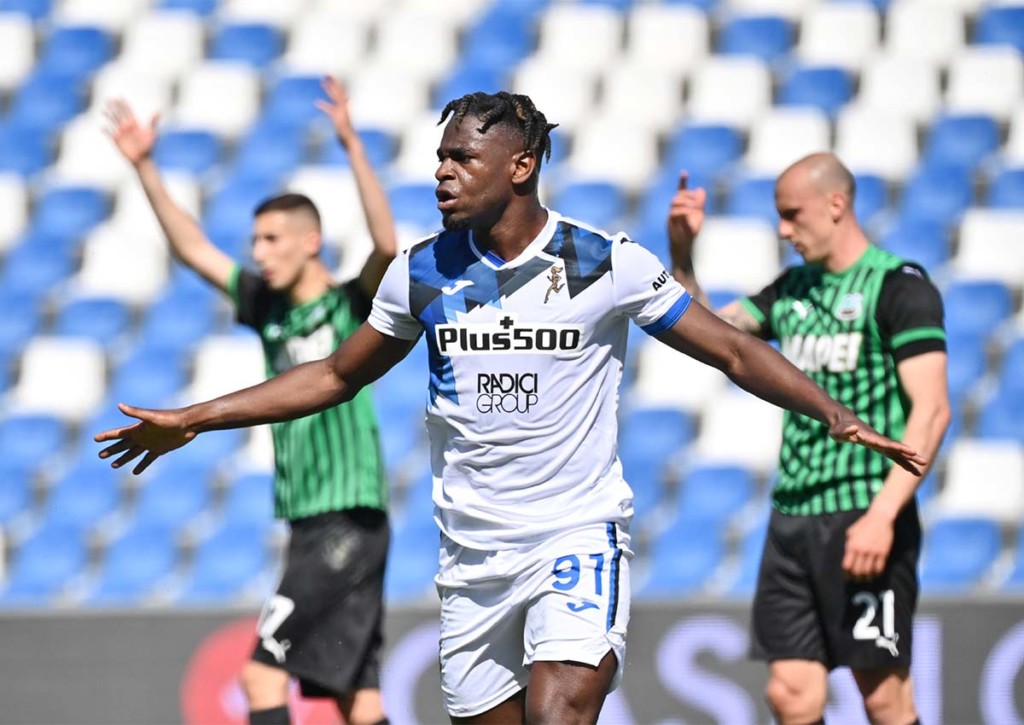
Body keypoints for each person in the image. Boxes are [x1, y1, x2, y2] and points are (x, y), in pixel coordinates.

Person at [96, 93, 925, 725]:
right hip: (473, 559)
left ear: (520, 165)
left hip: (576, 533)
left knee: (557, 710)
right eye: (439, 158)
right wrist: (195, 416)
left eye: (462, 158)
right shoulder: (421, 272)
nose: (442, 173)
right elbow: (335, 375)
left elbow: (735, 350)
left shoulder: (602, 262)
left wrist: (833, 412)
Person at [103, 77, 397, 725]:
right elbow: (193, 249)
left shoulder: (351, 304)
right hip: (312, 522)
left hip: (344, 516)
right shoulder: (267, 309)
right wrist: (146, 166)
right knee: (357, 697)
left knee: (260, 675)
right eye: (255, 242)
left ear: (310, 240)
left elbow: (386, 247)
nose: (258, 254)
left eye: (271, 239)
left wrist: (352, 145)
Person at [667, 154, 950, 725]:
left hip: (865, 510)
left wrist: (884, 515)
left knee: (883, 696)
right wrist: (681, 253)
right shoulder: (791, 290)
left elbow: (933, 410)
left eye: (792, 214)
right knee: (791, 694)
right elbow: (709, 334)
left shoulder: (899, 286)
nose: (783, 230)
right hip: (792, 516)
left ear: (836, 205)